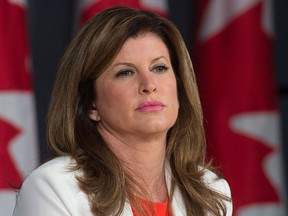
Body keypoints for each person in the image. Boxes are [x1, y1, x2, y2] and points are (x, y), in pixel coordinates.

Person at [13, 6, 232, 216]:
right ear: (91, 104)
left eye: (159, 68)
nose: (149, 84)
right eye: (125, 72)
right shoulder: (54, 188)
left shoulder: (212, 193)